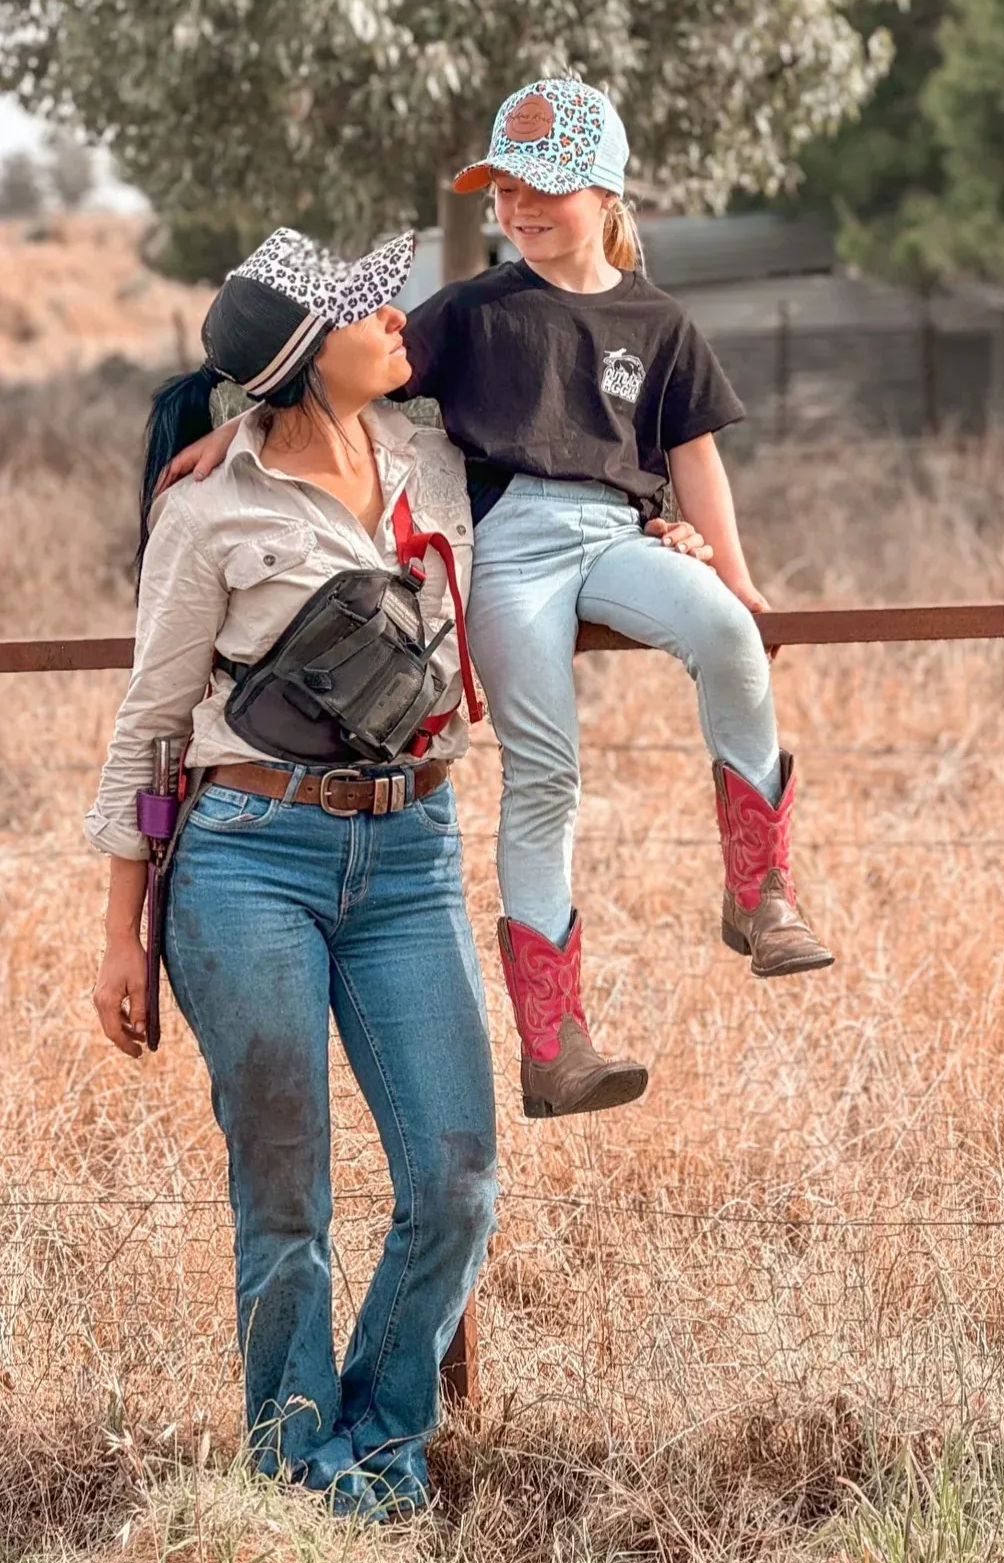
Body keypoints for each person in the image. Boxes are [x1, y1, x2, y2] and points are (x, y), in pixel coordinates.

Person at [163, 80, 832, 1128]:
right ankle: (556, 1043)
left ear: (606, 191)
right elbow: (337, 372)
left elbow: (694, 457)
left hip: (615, 534)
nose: (517, 209)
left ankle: (761, 892)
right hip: (509, 547)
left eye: (543, 190)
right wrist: (238, 426)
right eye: (503, 190)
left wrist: (736, 576)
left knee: (726, 632)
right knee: (545, 771)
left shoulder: (659, 322)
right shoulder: (475, 307)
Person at [87, 226, 501, 1519]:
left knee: (456, 1175)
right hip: (247, 861)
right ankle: (297, 1468)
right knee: (285, 1195)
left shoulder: (436, 457)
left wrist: (672, 541)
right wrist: (120, 930)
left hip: (414, 856)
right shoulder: (208, 511)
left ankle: (383, 1444)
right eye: (367, 310)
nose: (398, 320)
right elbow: (152, 719)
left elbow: (581, 460)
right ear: (309, 355)